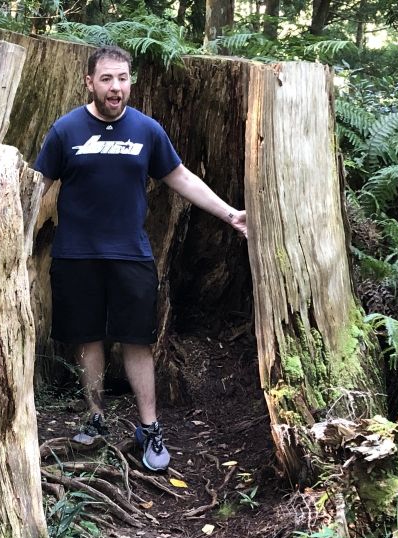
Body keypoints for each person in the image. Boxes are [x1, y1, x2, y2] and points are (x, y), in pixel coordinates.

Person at [34, 45, 247, 472]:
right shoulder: (64, 131)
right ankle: (95, 419)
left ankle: (149, 427)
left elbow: (181, 177)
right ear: (89, 82)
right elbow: (37, 186)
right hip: (76, 255)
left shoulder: (147, 131)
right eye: (107, 79)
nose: (116, 87)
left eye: (123, 78)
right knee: (87, 337)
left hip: (131, 254)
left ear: (131, 81)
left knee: (137, 340)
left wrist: (231, 214)